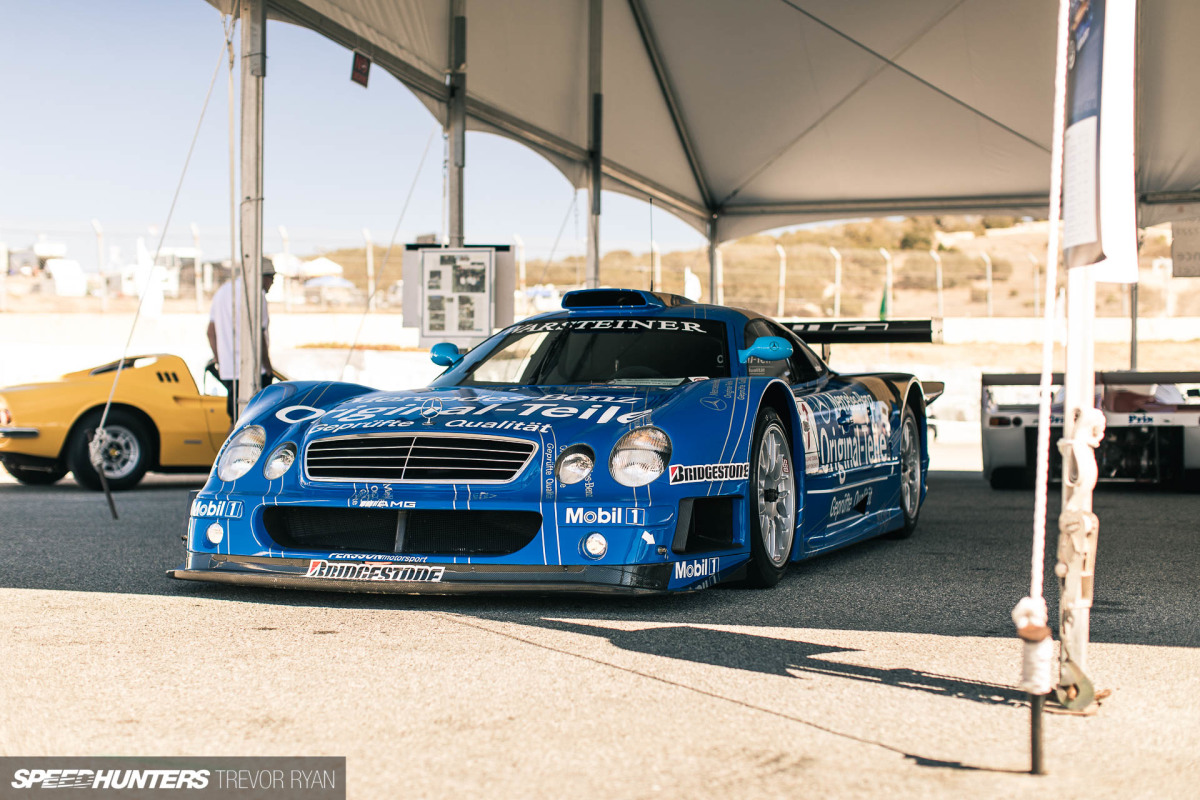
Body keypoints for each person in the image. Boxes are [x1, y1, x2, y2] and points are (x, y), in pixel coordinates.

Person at [207, 259, 274, 424]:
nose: (272, 282)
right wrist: (268, 367)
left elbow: (210, 332)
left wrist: (220, 360)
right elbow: (259, 336)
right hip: (253, 371)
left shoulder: (222, 291)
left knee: (236, 420)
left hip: (230, 370)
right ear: (263, 276)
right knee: (254, 424)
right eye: (272, 277)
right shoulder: (256, 295)